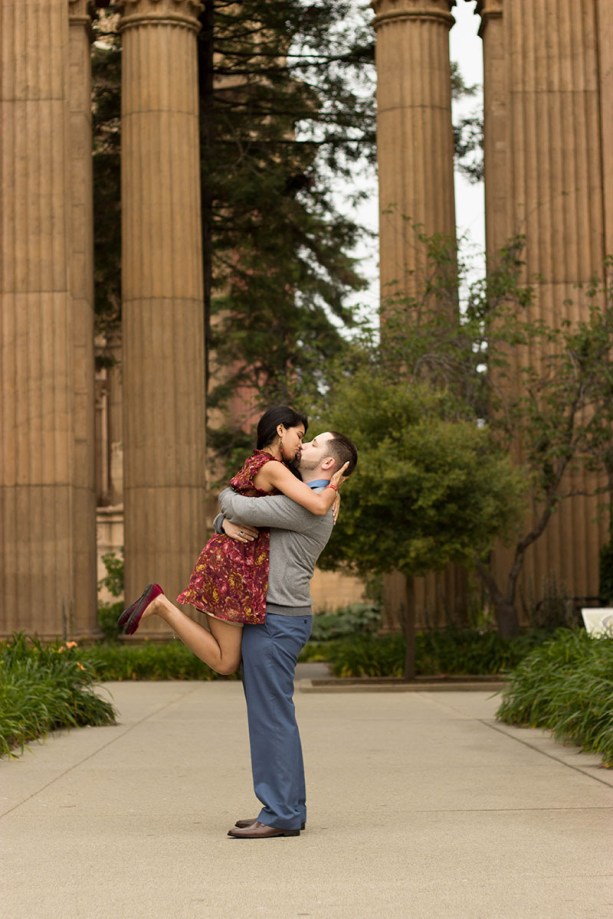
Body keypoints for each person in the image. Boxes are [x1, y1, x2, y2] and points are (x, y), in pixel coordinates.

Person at [117, 406, 348, 678]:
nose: (301, 445)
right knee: (226, 662)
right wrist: (334, 488)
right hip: (232, 565)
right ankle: (161, 605)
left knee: (227, 661)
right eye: (300, 436)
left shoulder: (260, 464)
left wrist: (222, 521)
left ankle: (162, 606)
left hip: (232, 560)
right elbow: (316, 505)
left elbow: (243, 499)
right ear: (280, 430)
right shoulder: (273, 467)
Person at [217, 430, 358, 839]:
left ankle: (280, 814)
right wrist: (225, 519)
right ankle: (286, 809)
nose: (304, 447)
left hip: (275, 621)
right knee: (275, 717)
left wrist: (224, 503)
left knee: (271, 720)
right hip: (278, 619)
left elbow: (237, 504)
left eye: (314, 445)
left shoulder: (308, 506)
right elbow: (239, 517)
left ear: (329, 464)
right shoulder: (306, 498)